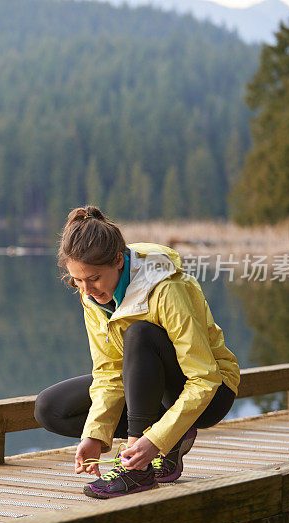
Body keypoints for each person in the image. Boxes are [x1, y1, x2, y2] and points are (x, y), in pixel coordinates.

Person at [34, 205, 240, 499]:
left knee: (140, 333)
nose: (86, 289)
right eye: (77, 280)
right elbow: (108, 372)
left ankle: (136, 471)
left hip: (211, 392)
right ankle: (167, 439)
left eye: (93, 278)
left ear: (118, 260)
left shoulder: (166, 289)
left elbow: (203, 379)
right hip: (147, 390)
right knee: (50, 408)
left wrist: (153, 440)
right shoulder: (92, 298)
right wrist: (95, 435)